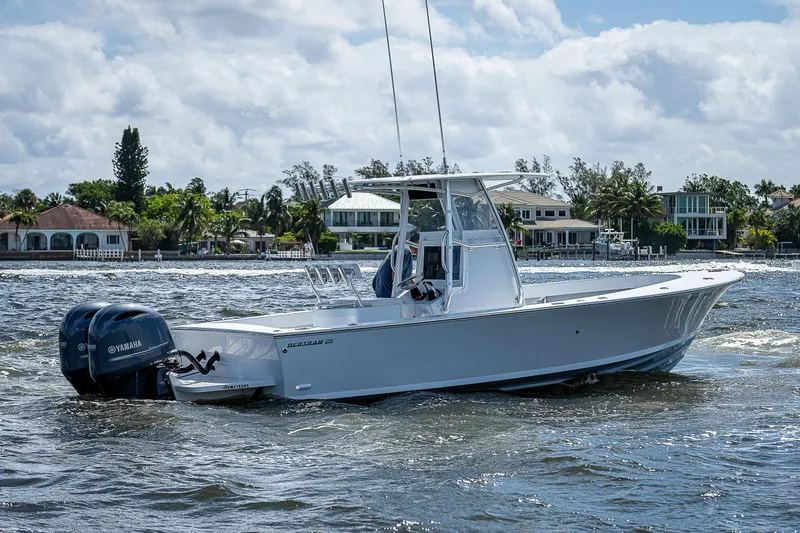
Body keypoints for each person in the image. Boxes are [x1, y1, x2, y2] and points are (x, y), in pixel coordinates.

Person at [372, 232, 419, 298]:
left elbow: (407, 277)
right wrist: (396, 296)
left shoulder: (400, 247)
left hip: (380, 289)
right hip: (388, 293)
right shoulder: (405, 251)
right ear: (418, 242)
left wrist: (416, 289)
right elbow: (395, 274)